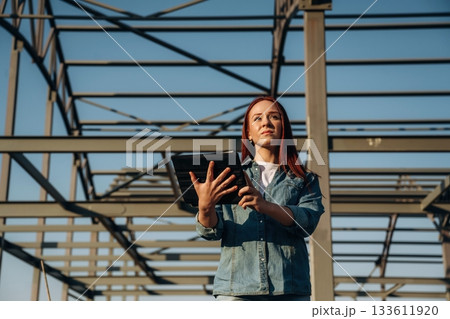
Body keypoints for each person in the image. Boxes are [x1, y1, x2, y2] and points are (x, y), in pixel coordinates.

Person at [189, 96, 325, 301]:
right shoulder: (228, 175)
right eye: (257, 118)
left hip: (289, 291)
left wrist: (265, 206)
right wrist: (206, 208)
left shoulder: (304, 180)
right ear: (248, 134)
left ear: (284, 129)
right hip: (236, 292)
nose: (266, 123)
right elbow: (211, 232)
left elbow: (307, 222)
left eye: (274, 117)